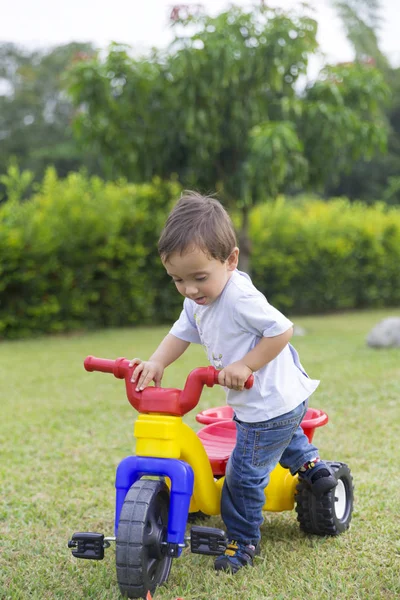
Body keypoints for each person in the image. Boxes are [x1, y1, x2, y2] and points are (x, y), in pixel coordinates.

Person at [129, 191, 337, 574]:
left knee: (243, 474)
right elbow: (181, 331)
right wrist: (157, 361)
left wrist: (246, 364)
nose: (190, 289)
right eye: (177, 279)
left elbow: (282, 330)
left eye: (199, 278)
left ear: (231, 260)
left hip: (269, 401)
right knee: (275, 438)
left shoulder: (239, 296)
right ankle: (309, 463)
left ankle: (242, 540)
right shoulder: (199, 300)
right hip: (271, 403)